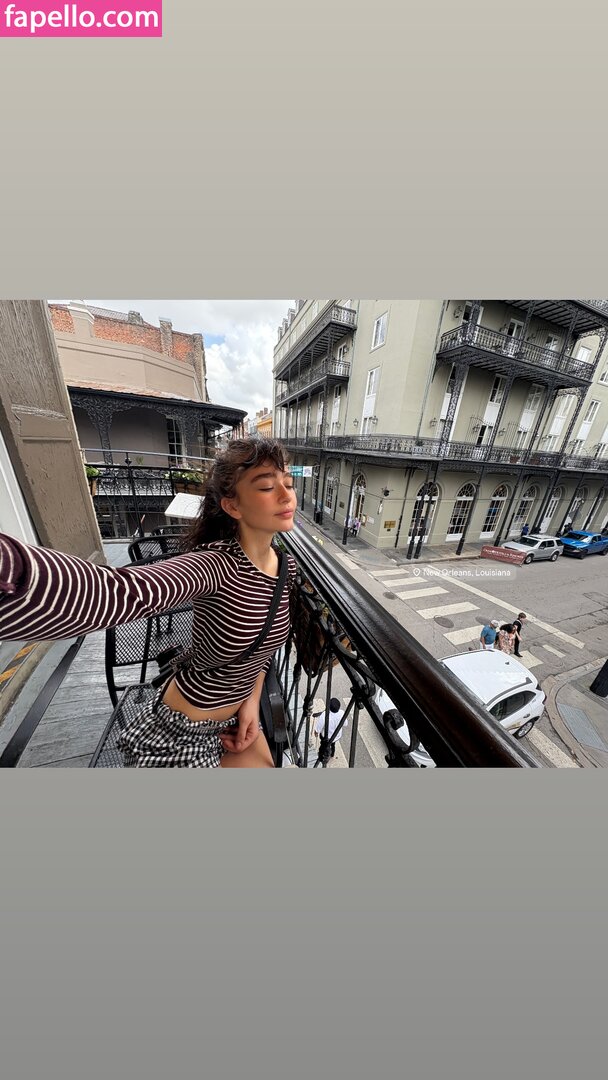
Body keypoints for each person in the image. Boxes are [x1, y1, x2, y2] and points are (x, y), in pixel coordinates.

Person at [0, 438, 298, 768]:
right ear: (233, 507)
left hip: (232, 724)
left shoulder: (285, 567)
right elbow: (121, 592)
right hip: (180, 732)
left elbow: (261, 654)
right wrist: (13, 568)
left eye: (288, 483)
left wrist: (250, 703)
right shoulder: (215, 565)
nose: (286, 496)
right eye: (267, 487)